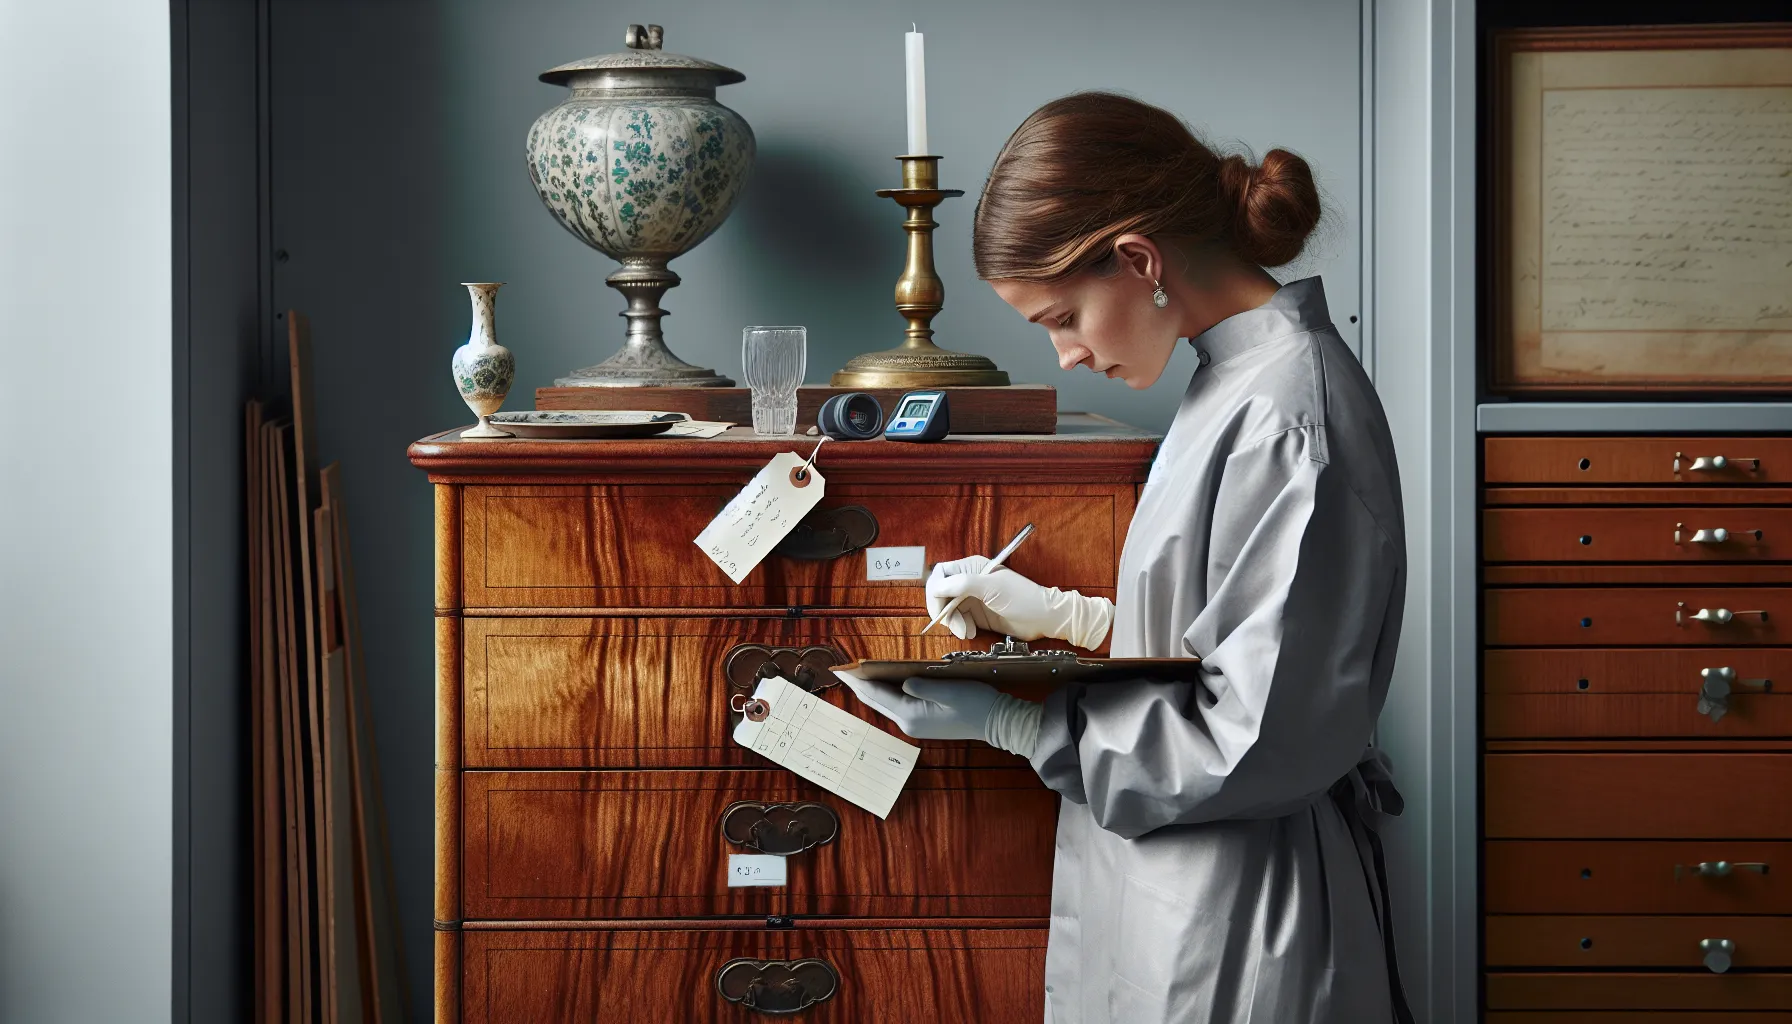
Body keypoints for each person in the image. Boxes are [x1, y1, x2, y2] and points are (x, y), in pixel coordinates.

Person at [833, 91, 1414, 1024]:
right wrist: (1064, 618)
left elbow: (1254, 738)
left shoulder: (1287, 417)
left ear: (1140, 261)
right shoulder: (1231, 380)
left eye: (1062, 315)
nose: (1064, 354)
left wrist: (1025, 727)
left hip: (1239, 908)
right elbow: (1227, 636)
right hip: (1174, 888)